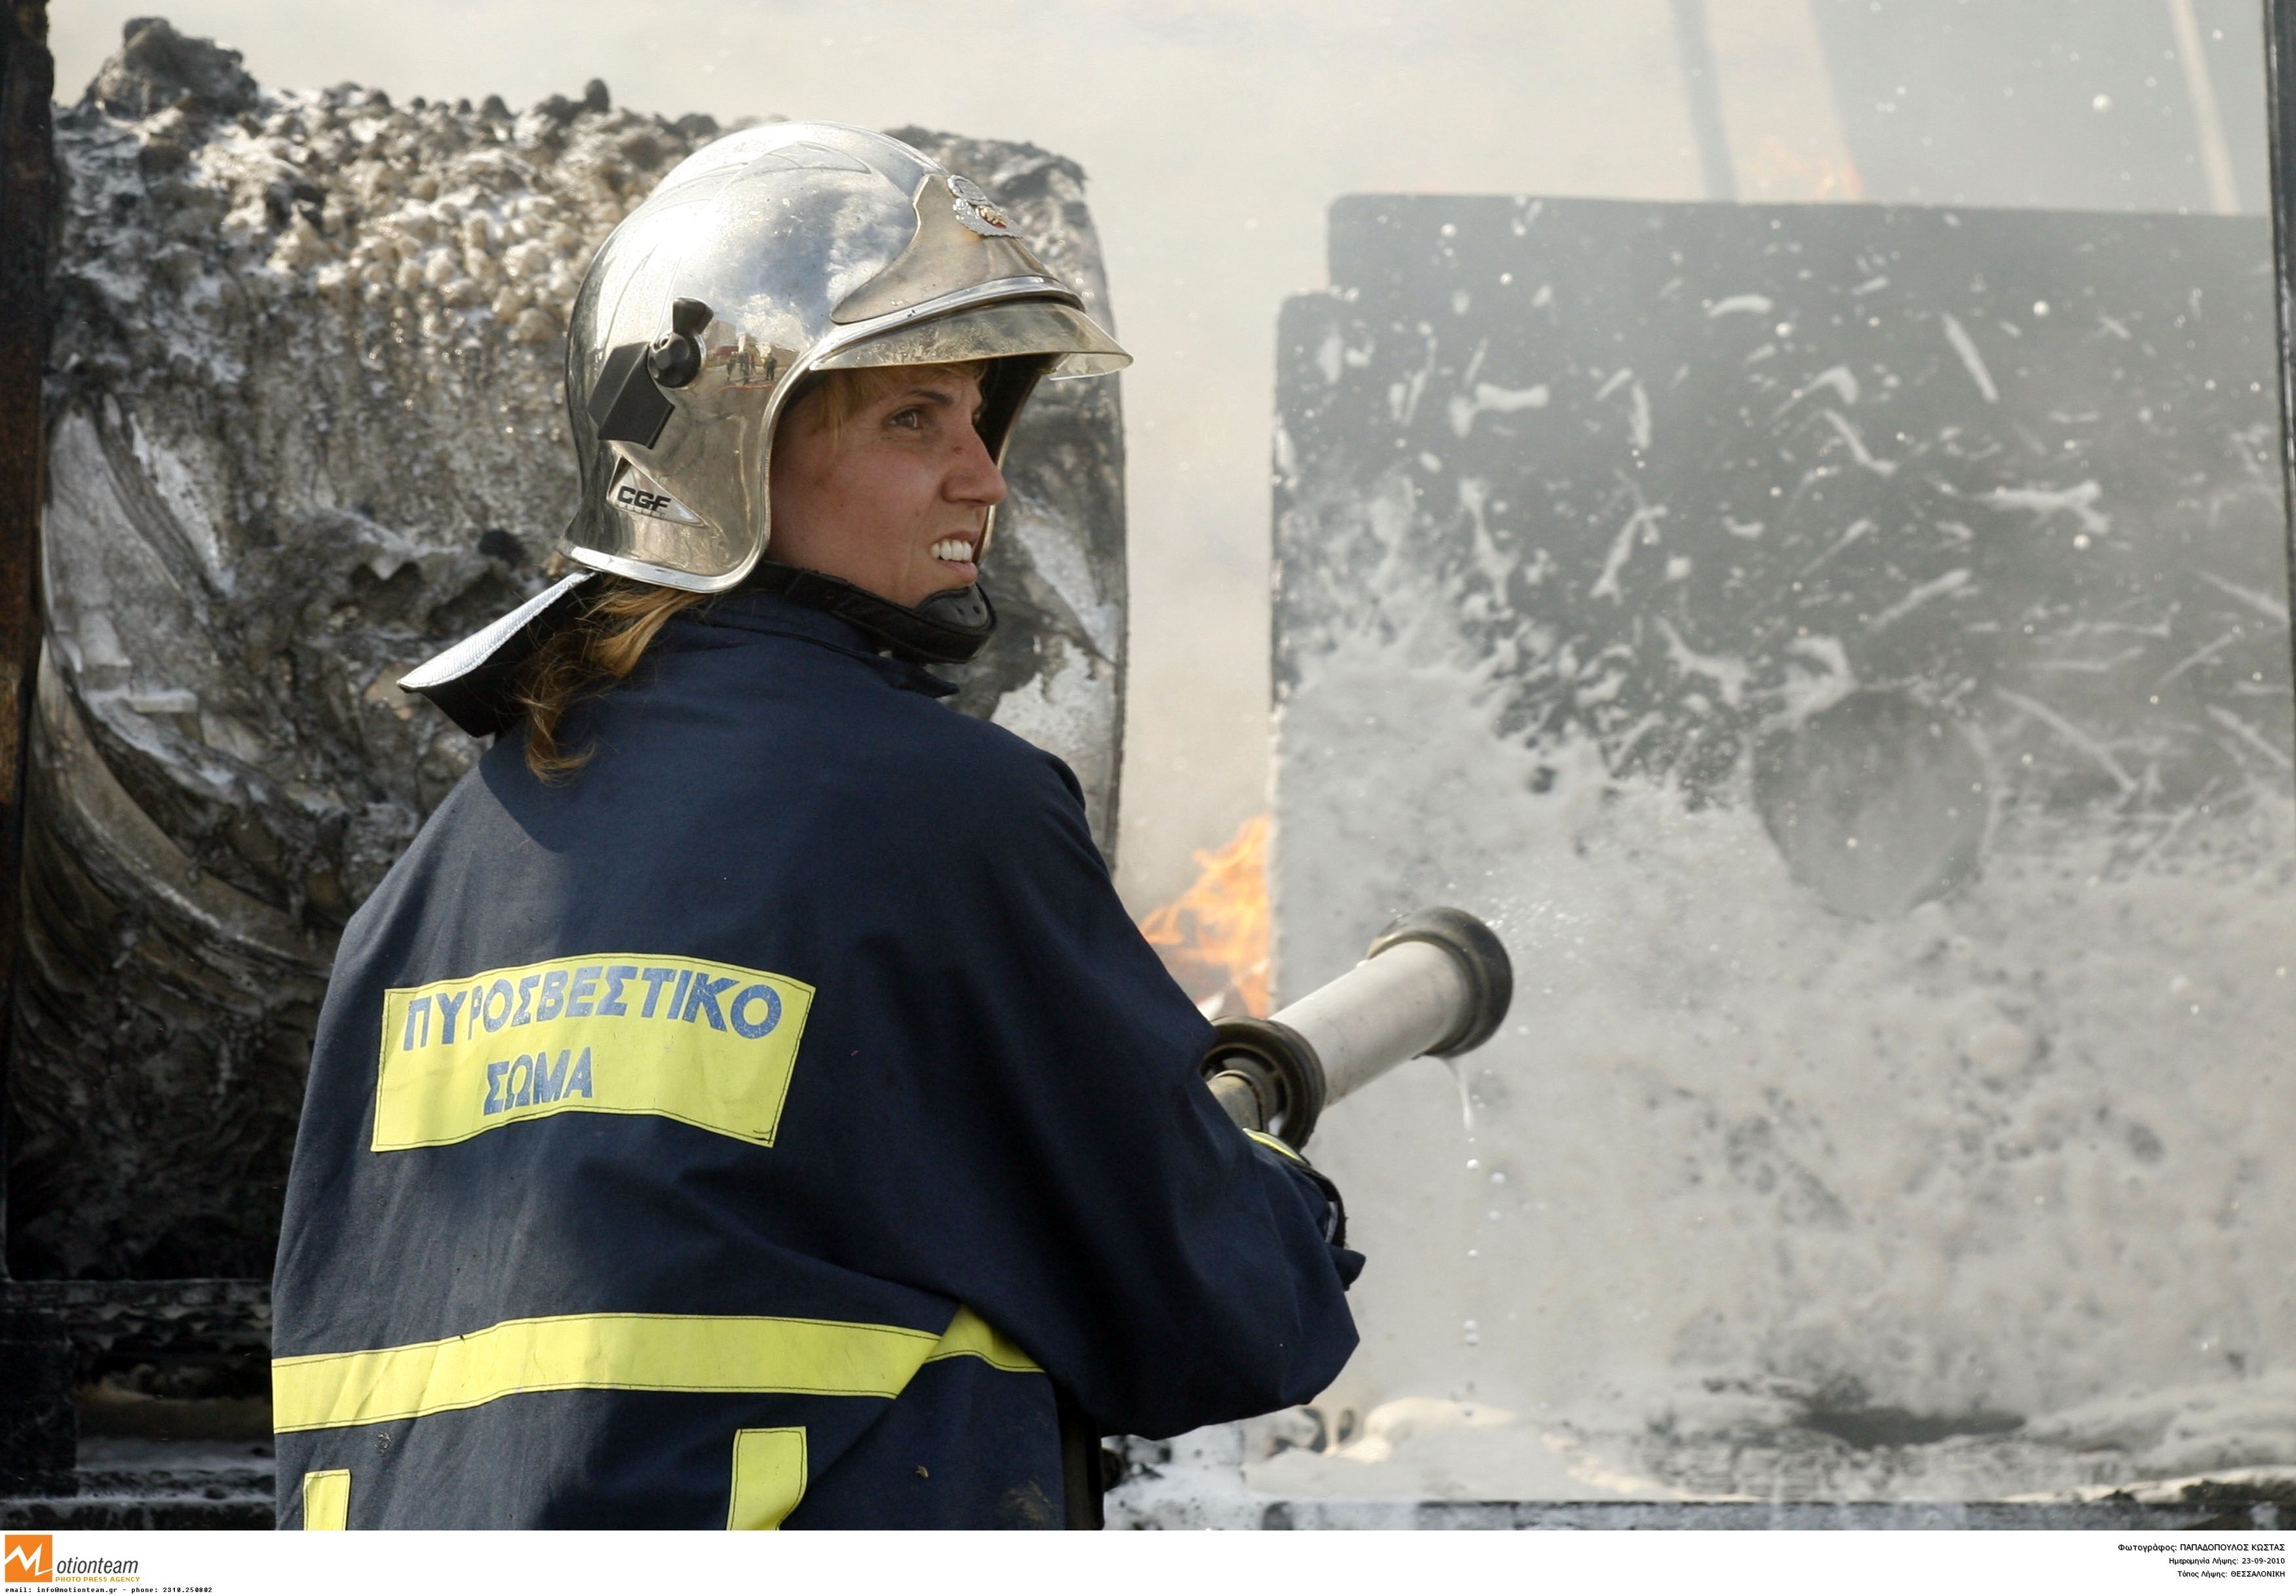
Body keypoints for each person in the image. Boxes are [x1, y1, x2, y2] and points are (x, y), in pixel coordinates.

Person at [269, 123, 1361, 1531]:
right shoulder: (942, 809)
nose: (986, 478)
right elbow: (1219, 1313)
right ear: (725, 453)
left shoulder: (434, 886)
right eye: (915, 420)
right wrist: (1266, 1184)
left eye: (981, 417)